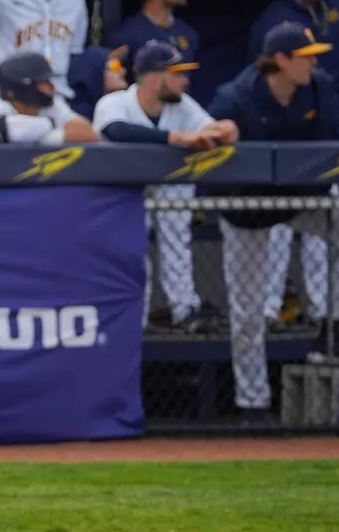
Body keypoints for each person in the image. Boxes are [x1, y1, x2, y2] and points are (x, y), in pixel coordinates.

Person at [207, 23, 339, 422]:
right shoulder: (236, 96)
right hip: (248, 207)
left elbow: (328, 144)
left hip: (301, 197)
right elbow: (213, 145)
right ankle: (253, 404)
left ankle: (335, 323)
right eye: (305, 56)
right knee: (249, 313)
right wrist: (220, 135)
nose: (314, 63)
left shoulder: (319, 87)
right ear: (281, 60)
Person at [250, 0, 339, 329]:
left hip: (324, 131)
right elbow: (260, 77)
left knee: (326, 220)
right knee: (277, 224)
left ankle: (323, 308)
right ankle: (268, 308)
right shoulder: (274, 19)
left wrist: (337, 103)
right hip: (284, 136)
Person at [92, 41, 238, 332]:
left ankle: (185, 309)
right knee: (132, 251)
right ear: (153, 78)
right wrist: (177, 138)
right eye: (177, 74)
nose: (185, 81)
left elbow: (211, 128)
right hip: (124, 189)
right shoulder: (115, 102)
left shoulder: (182, 104)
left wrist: (225, 129)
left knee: (177, 242)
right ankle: (135, 317)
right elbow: (117, 130)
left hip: (168, 184)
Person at [0, 51, 99, 146]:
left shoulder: (52, 104)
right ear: (21, 86)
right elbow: (3, 130)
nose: (52, 87)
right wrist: (52, 125)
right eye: (43, 82)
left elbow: (88, 135)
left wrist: (43, 132)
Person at [65, 44, 128, 120]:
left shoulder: (118, 108)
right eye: (114, 66)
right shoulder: (74, 118)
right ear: (93, 73)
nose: (123, 71)